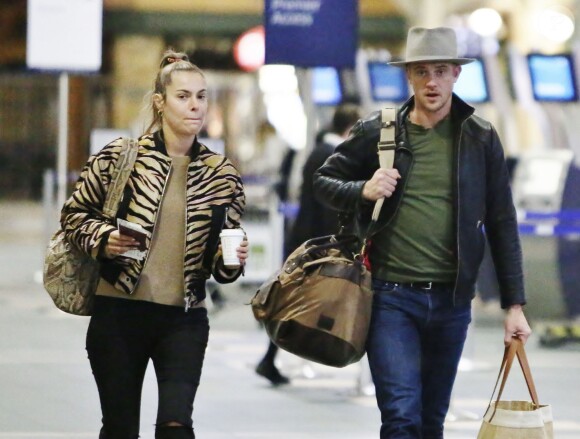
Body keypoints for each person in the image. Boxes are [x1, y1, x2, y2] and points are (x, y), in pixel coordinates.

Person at [313, 27, 532, 438]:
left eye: (441, 70)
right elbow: (323, 181)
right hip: (391, 298)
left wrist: (514, 303)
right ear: (409, 77)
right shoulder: (380, 131)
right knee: (400, 417)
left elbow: (502, 220)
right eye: (421, 72)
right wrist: (362, 189)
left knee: (431, 421)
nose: (432, 81)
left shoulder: (479, 137)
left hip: (453, 301)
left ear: (455, 75)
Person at [60, 50, 248, 439]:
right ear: (160, 103)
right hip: (119, 315)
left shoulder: (221, 174)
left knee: (177, 427)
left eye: (201, 95)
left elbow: (221, 267)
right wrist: (103, 239)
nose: (195, 105)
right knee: (120, 428)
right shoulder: (120, 157)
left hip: (184, 319)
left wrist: (232, 261)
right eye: (183, 96)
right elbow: (74, 214)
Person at [254, 104, 361, 385]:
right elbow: (329, 205)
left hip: (307, 238)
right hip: (317, 241)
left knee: (296, 302)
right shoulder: (333, 155)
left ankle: (270, 358)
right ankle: (274, 356)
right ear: (349, 129)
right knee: (301, 303)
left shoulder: (319, 151)